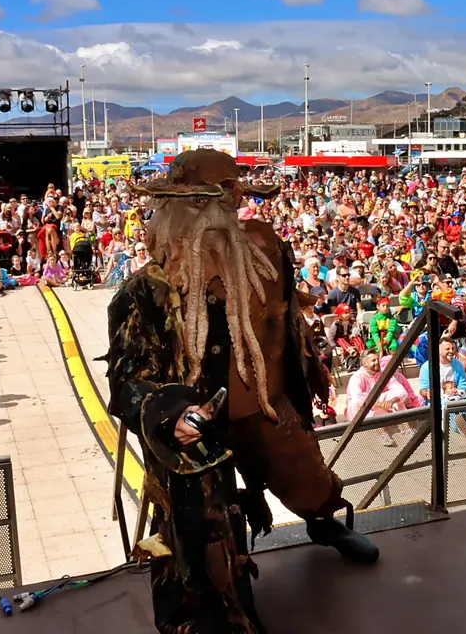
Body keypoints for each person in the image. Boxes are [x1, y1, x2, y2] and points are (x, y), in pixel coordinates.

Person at [104, 150, 377, 633]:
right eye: (189, 207)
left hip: (263, 405)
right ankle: (221, 619)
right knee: (207, 536)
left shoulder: (268, 257)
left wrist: (304, 370)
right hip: (198, 434)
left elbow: (288, 324)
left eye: (215, 204)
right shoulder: (145, 293)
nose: (206, 219)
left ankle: (323, 518)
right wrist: (170, 415)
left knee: (305, 474)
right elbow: (127, 379)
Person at [344, 349, 421, 447]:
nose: (377, 363)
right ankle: (382, 434)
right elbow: (357, 398)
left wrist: (392, 400)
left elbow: (401, 391)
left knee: (396, 397)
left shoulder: (383, 373)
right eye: (373, 361)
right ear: (365, 364)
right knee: (358, 403)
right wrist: (379, 404)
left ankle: (406, 429)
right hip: (360, 410)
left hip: (380, 405)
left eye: (377, 360)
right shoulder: (357, 377)